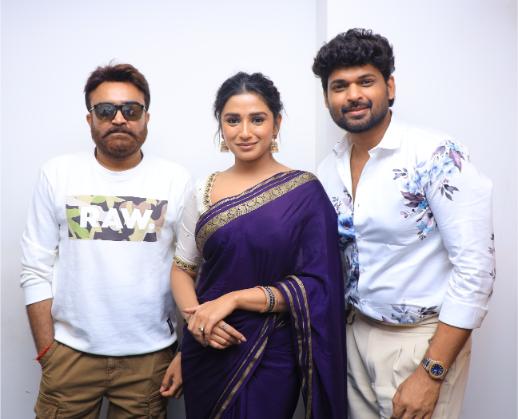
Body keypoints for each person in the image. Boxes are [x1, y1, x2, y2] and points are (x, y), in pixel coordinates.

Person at [313, 28, 495, 419]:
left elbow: (476, 268)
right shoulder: (328, 170)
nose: (353, 95)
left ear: (389, 87)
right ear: (327, 98)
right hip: (355, 336)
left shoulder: (435, 155)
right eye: (339, 86)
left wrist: (431, 372)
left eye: (366, 81)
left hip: (421, 342)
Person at [162, 72, 347, 418]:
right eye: (233, 120)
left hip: (271, 354)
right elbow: (182, 269)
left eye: (257, 119)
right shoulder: (202, 190)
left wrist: (233, 299)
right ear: (221, 126)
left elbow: (319, 286)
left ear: (276, 124)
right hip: (207, 350)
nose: (244, 132)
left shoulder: (305, 192)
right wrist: (197, 326)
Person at [20, 63, 190, 418]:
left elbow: (190, 270)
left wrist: (185, 352)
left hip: (149, 359)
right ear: (90, 119)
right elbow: (35, 267)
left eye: (131, 110)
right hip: (70, 355)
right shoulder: (57, 174)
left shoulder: (176, 180)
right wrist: (48, 352)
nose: (119, 119)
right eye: (106, 110)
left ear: (146, 117)